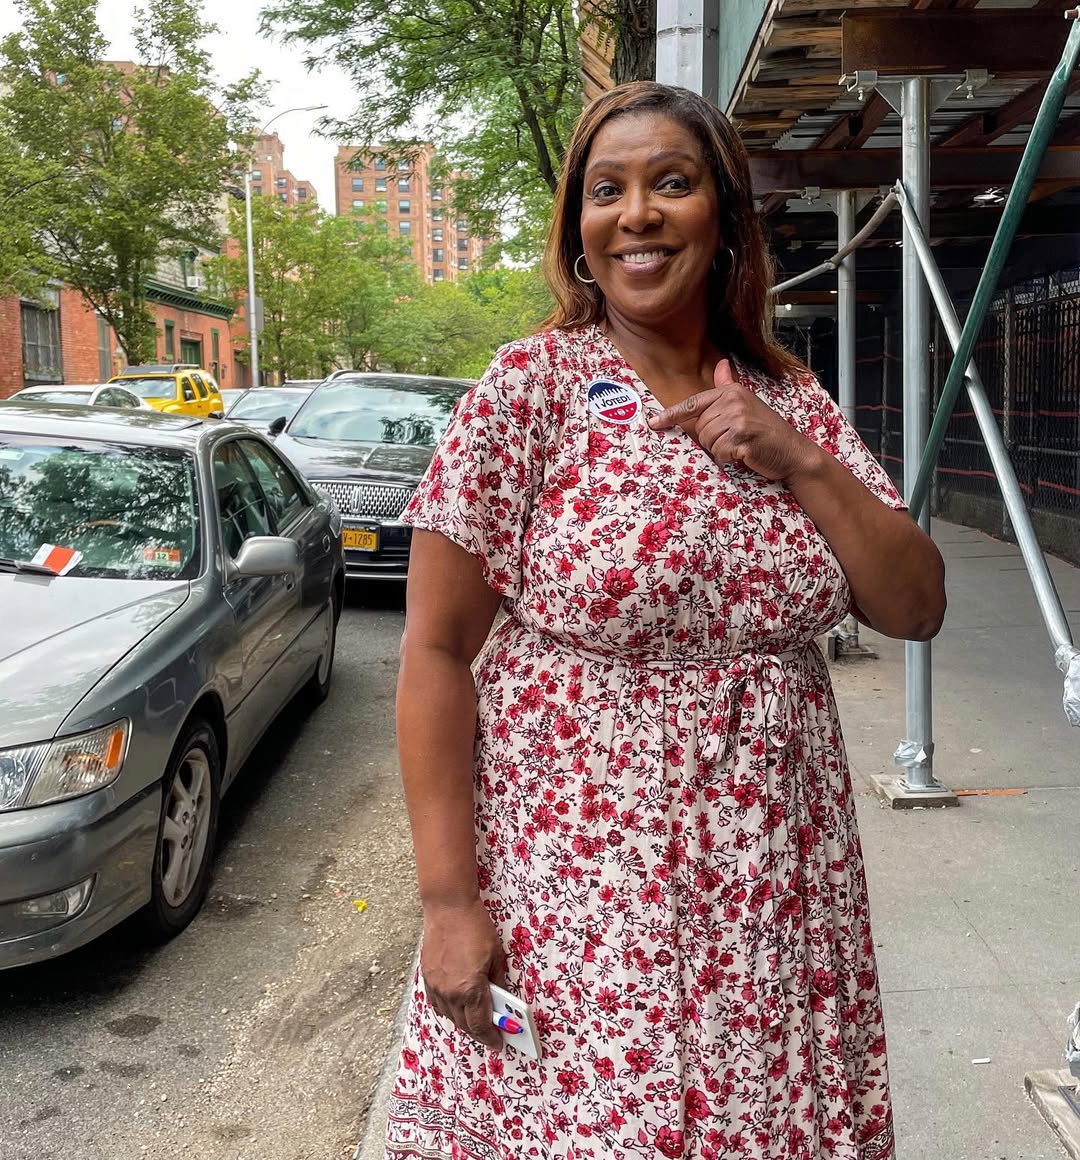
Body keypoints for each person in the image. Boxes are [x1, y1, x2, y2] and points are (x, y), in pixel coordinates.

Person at [388, 81, 945, 1160]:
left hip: (772, 891)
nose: (636, 212)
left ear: (725, 218)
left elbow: (914, 602)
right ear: (579, 233)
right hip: (579, 890)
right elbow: (434, 648)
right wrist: (448, 902)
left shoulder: (793, 398)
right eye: (607, 191)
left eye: (671, 183)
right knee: (572, 1121)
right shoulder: (532, 388)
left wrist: (795, 459)